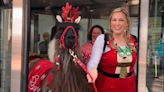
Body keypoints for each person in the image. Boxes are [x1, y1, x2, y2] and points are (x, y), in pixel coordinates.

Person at [87, 7, 138, 92]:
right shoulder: (102, 39)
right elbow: (92, 63)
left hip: (129, 87)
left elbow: (135, 68)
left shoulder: (133, 40)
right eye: (114, 20)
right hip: (106, 87)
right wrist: (92, 70)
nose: (117, 23)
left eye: (121, 20)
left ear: (127, 23)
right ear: (110, 23)